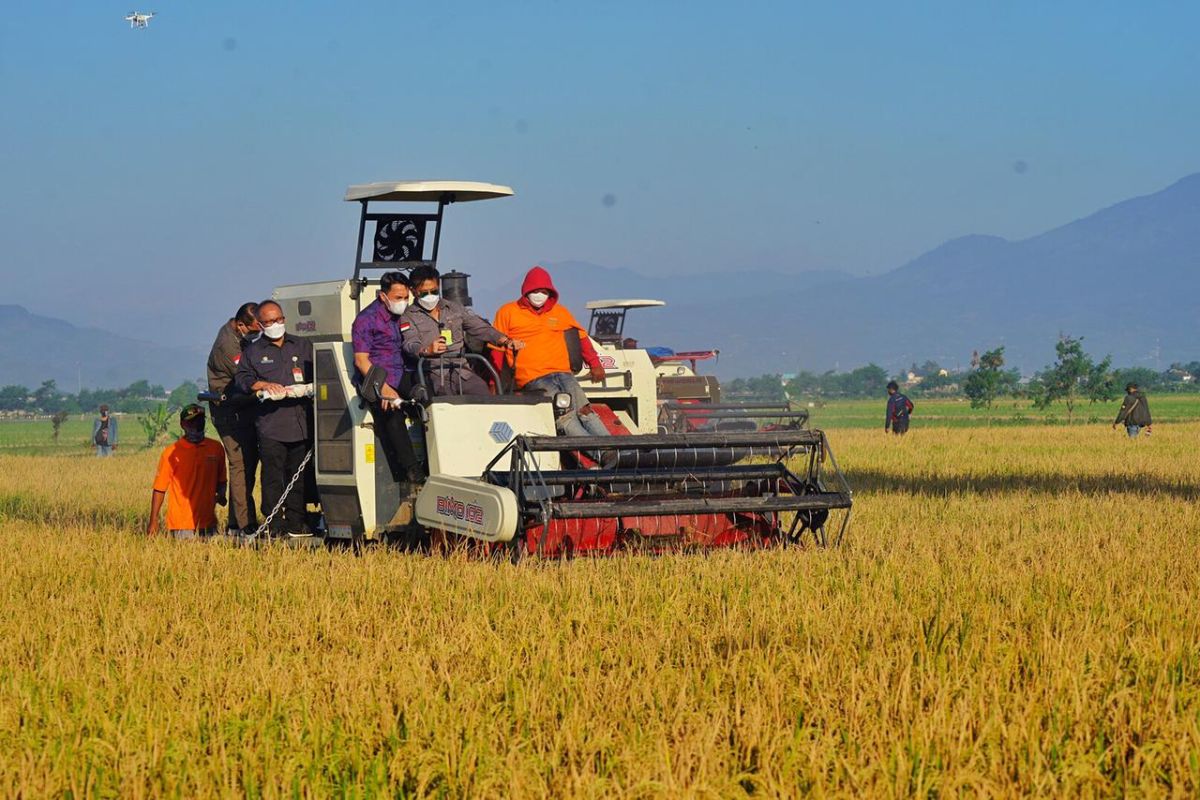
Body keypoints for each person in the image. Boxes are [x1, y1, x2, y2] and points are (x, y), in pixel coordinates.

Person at [492, 266, 611, 439]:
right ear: (526, 291)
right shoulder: (507, 312)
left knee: (585, 410)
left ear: (550, 292)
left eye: (544, 291)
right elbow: (497, 349)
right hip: (533, 377)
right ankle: (599, 452)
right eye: (535, 290)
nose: (539, 295)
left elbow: (582, 339)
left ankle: (615, 449)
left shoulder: (560, 312)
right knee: (564, 414)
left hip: (563, 373)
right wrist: (493, 381)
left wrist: (595, 364)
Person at [235, 300, 314, 536]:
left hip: (301, 423)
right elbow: (242, 380)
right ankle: (274, 524)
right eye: (268, 322)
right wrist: (264, 385)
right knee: (272, 477)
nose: (275, 324)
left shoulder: (302, 345)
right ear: (260, 324)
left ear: (284, 319)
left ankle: (296, 522)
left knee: (298, 476)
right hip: (271, 426)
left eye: (278, 319)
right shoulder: (253, 352)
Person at [401, 265, 524, 396]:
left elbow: (479, 327)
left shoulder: (455, 308)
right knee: (445, 403)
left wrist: (506, 341)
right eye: (424, 293)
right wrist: (427, 350)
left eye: (434, 291)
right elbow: (410, 344)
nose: (430, 296)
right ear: (414, 291)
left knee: (482, 392)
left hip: (462, 371)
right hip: (433, 373)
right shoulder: (407, 316)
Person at [351, 271, 422, 484]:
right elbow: (362, 361)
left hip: (405, 372)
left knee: (430, 399)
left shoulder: (408, 316)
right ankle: (412, 472)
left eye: (406, 297)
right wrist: (382, 388)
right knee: (391, 413)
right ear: (383, 296)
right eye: (398, 298)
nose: (403, 302)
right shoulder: (366, 320)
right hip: (377, 376)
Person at [206, 301, 261, 532]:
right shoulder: (228, 346)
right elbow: (246, 378)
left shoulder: (238, 335)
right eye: (256, 330)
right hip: (230, 413)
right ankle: (244, 524)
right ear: (241, 325)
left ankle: (235, 522)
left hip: (243, 409)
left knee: (248, 465)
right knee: (240, 465)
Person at [147, 404, 227, 539]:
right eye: (192, 422)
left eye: (200, 421)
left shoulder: (216, 448)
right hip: (181, 525)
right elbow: (159, 489)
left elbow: (222, 481)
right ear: (182, 424)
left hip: (208, 523)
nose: (196, 425)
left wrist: (221, 495)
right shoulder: (171, 453)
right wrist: (153, 521)